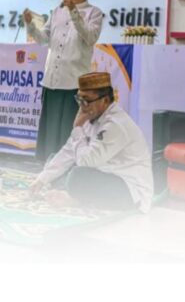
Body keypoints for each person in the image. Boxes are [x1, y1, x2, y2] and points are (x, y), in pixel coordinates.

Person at [29, 72, 153, 212]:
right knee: (53, 160)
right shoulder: (91, 115)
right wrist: (41, 179)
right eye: (79, 99)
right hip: (102, 172)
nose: (82, 106)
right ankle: (75, 193)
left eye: (86, 100)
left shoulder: (116, 124)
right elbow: (69, 151)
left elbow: (86, 162)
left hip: (130, 191)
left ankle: (75, 198)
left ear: (105, 100)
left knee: (77, 176)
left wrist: (77, 128)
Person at [23, 0, 104, 162]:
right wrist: (30, 25)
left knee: (69, 131)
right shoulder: (57, 11)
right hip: (52, 80)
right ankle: (47, 168)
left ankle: (66, 168)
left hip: (74, 83)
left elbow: (90, 37)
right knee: (50, 131)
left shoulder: (94, 13)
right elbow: (44, 40)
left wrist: (73, 11)